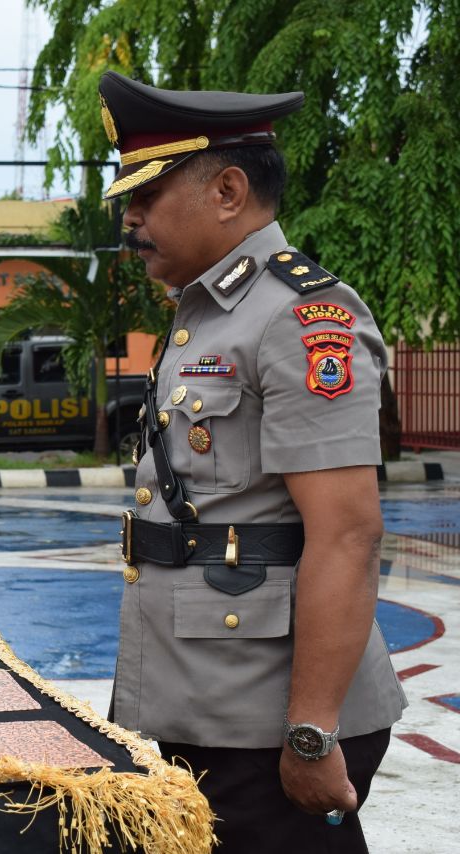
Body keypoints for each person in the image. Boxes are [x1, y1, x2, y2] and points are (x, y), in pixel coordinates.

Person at [97, 71, 407, 853]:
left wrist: (310, 734)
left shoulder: (300, 319)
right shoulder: (206, 314)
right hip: (196, 694)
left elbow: (346, 536)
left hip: (262, 718)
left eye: (146, 196)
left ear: (228, 191)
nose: (129, 219)